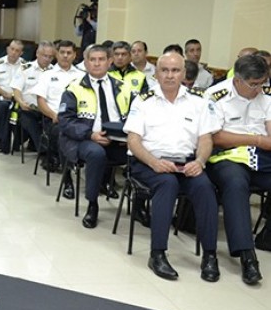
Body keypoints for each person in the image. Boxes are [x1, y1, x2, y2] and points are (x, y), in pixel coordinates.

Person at [124, 52, 221, 281]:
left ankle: (210, 255)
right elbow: (133, 141)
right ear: (156, 74)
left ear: (184, 73)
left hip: (186, 163)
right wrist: (154, 162)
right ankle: (157, 254)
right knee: (167, 184)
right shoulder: (143, 101)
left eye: (175, 70)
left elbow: (206, 139)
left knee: (205, 187)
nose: (170, 75)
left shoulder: (199, 102)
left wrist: (200, 161)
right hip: (148, 162)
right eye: (164, 70)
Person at [205, 54, 269, 285]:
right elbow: (217, 137)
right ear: (238, 80)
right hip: (226, 157)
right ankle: (247, 256)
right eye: (253, 84)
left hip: (260, 158)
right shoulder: (215, 95)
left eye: (262, 83)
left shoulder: (266, 95)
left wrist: (260, 142)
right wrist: (257, 139)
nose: (258, 89)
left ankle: (267, 236)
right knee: (235, 183)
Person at [59, 44, 132, 229]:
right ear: (86, 63)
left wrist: (130, 137)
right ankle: (93, 204)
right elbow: (65, 121)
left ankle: (138, 205)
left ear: (109, 62)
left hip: (119, 140)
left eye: (101, 59)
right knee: (96, 154)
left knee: (141, 154)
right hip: (84, 139)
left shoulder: (123, 87)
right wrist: (90, 134)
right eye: (92, 60)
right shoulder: (74, 88)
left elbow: (136, 116)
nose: (97, 64)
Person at [33, 40, 84, 176]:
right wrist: (53, 115)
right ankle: (67, 171)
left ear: (74, 55)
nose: (65, 55)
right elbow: (41, 101)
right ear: (56, 54)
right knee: (63, 132)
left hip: (77, 119)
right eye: (62, 52)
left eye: (69, 53)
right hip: (53, 119)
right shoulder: (47, 75)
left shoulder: (82, 76)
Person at [11, 41, 54, 152]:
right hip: (28, 109)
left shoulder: (54, 71)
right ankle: (43, 151)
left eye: (50, 57)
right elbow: (16, 89)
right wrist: (21, 102)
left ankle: (51, 150)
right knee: (31, 123)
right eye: (45, 56)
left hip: (47, 110)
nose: (47, 59)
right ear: (37, 54)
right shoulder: (25, 68)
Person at [0, 39, 27, 154]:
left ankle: (19, 141)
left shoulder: (25, 65)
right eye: (12, 49)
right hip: (2, 96)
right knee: (4, 107)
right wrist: (5, 94)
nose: (13, 52)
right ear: (8, 49)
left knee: (26, 111)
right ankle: (2, 142)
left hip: (20, 98)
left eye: (17, 51)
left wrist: (19, 97)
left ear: (21, 53)